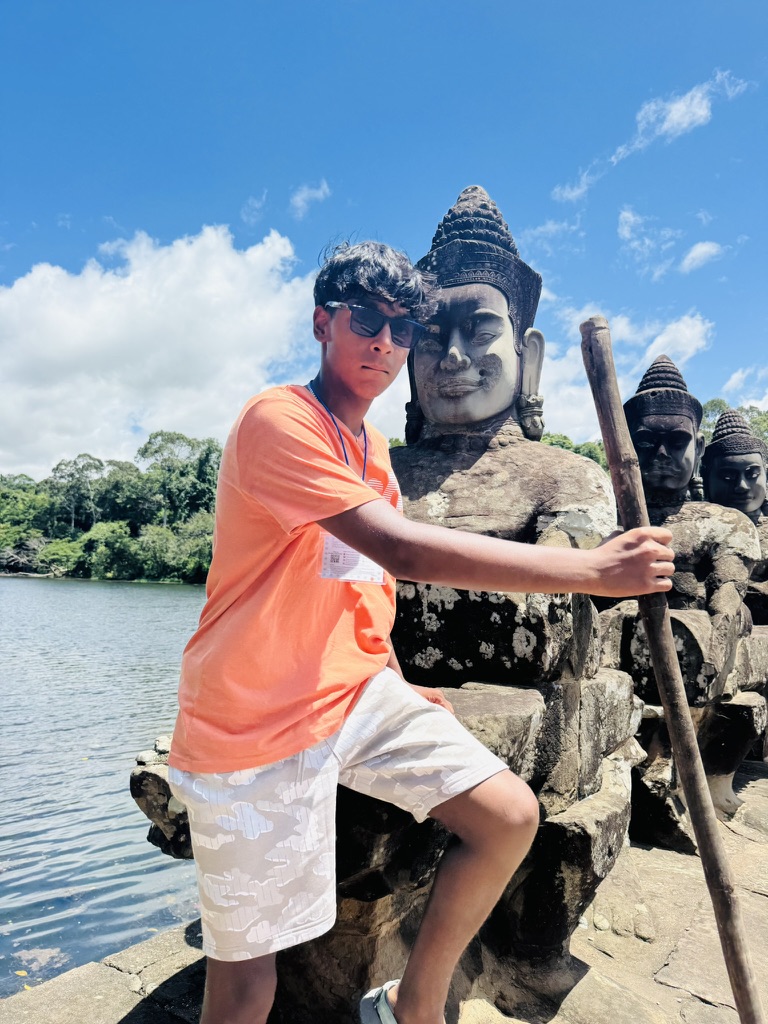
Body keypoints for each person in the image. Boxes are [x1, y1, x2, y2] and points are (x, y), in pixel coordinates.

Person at [167, 241, 674, 1024]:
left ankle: (416, 1002)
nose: (384, 342)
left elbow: (365, 583)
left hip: (351, 694)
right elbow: (399, 548)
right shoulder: (280, 420)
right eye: (365, 318)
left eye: (403, 329)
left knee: (507, 817)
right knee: (246, 986)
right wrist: (593, 573)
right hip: (253, 720)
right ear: (321, 323)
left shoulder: (372, 448)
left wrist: (391, 678)